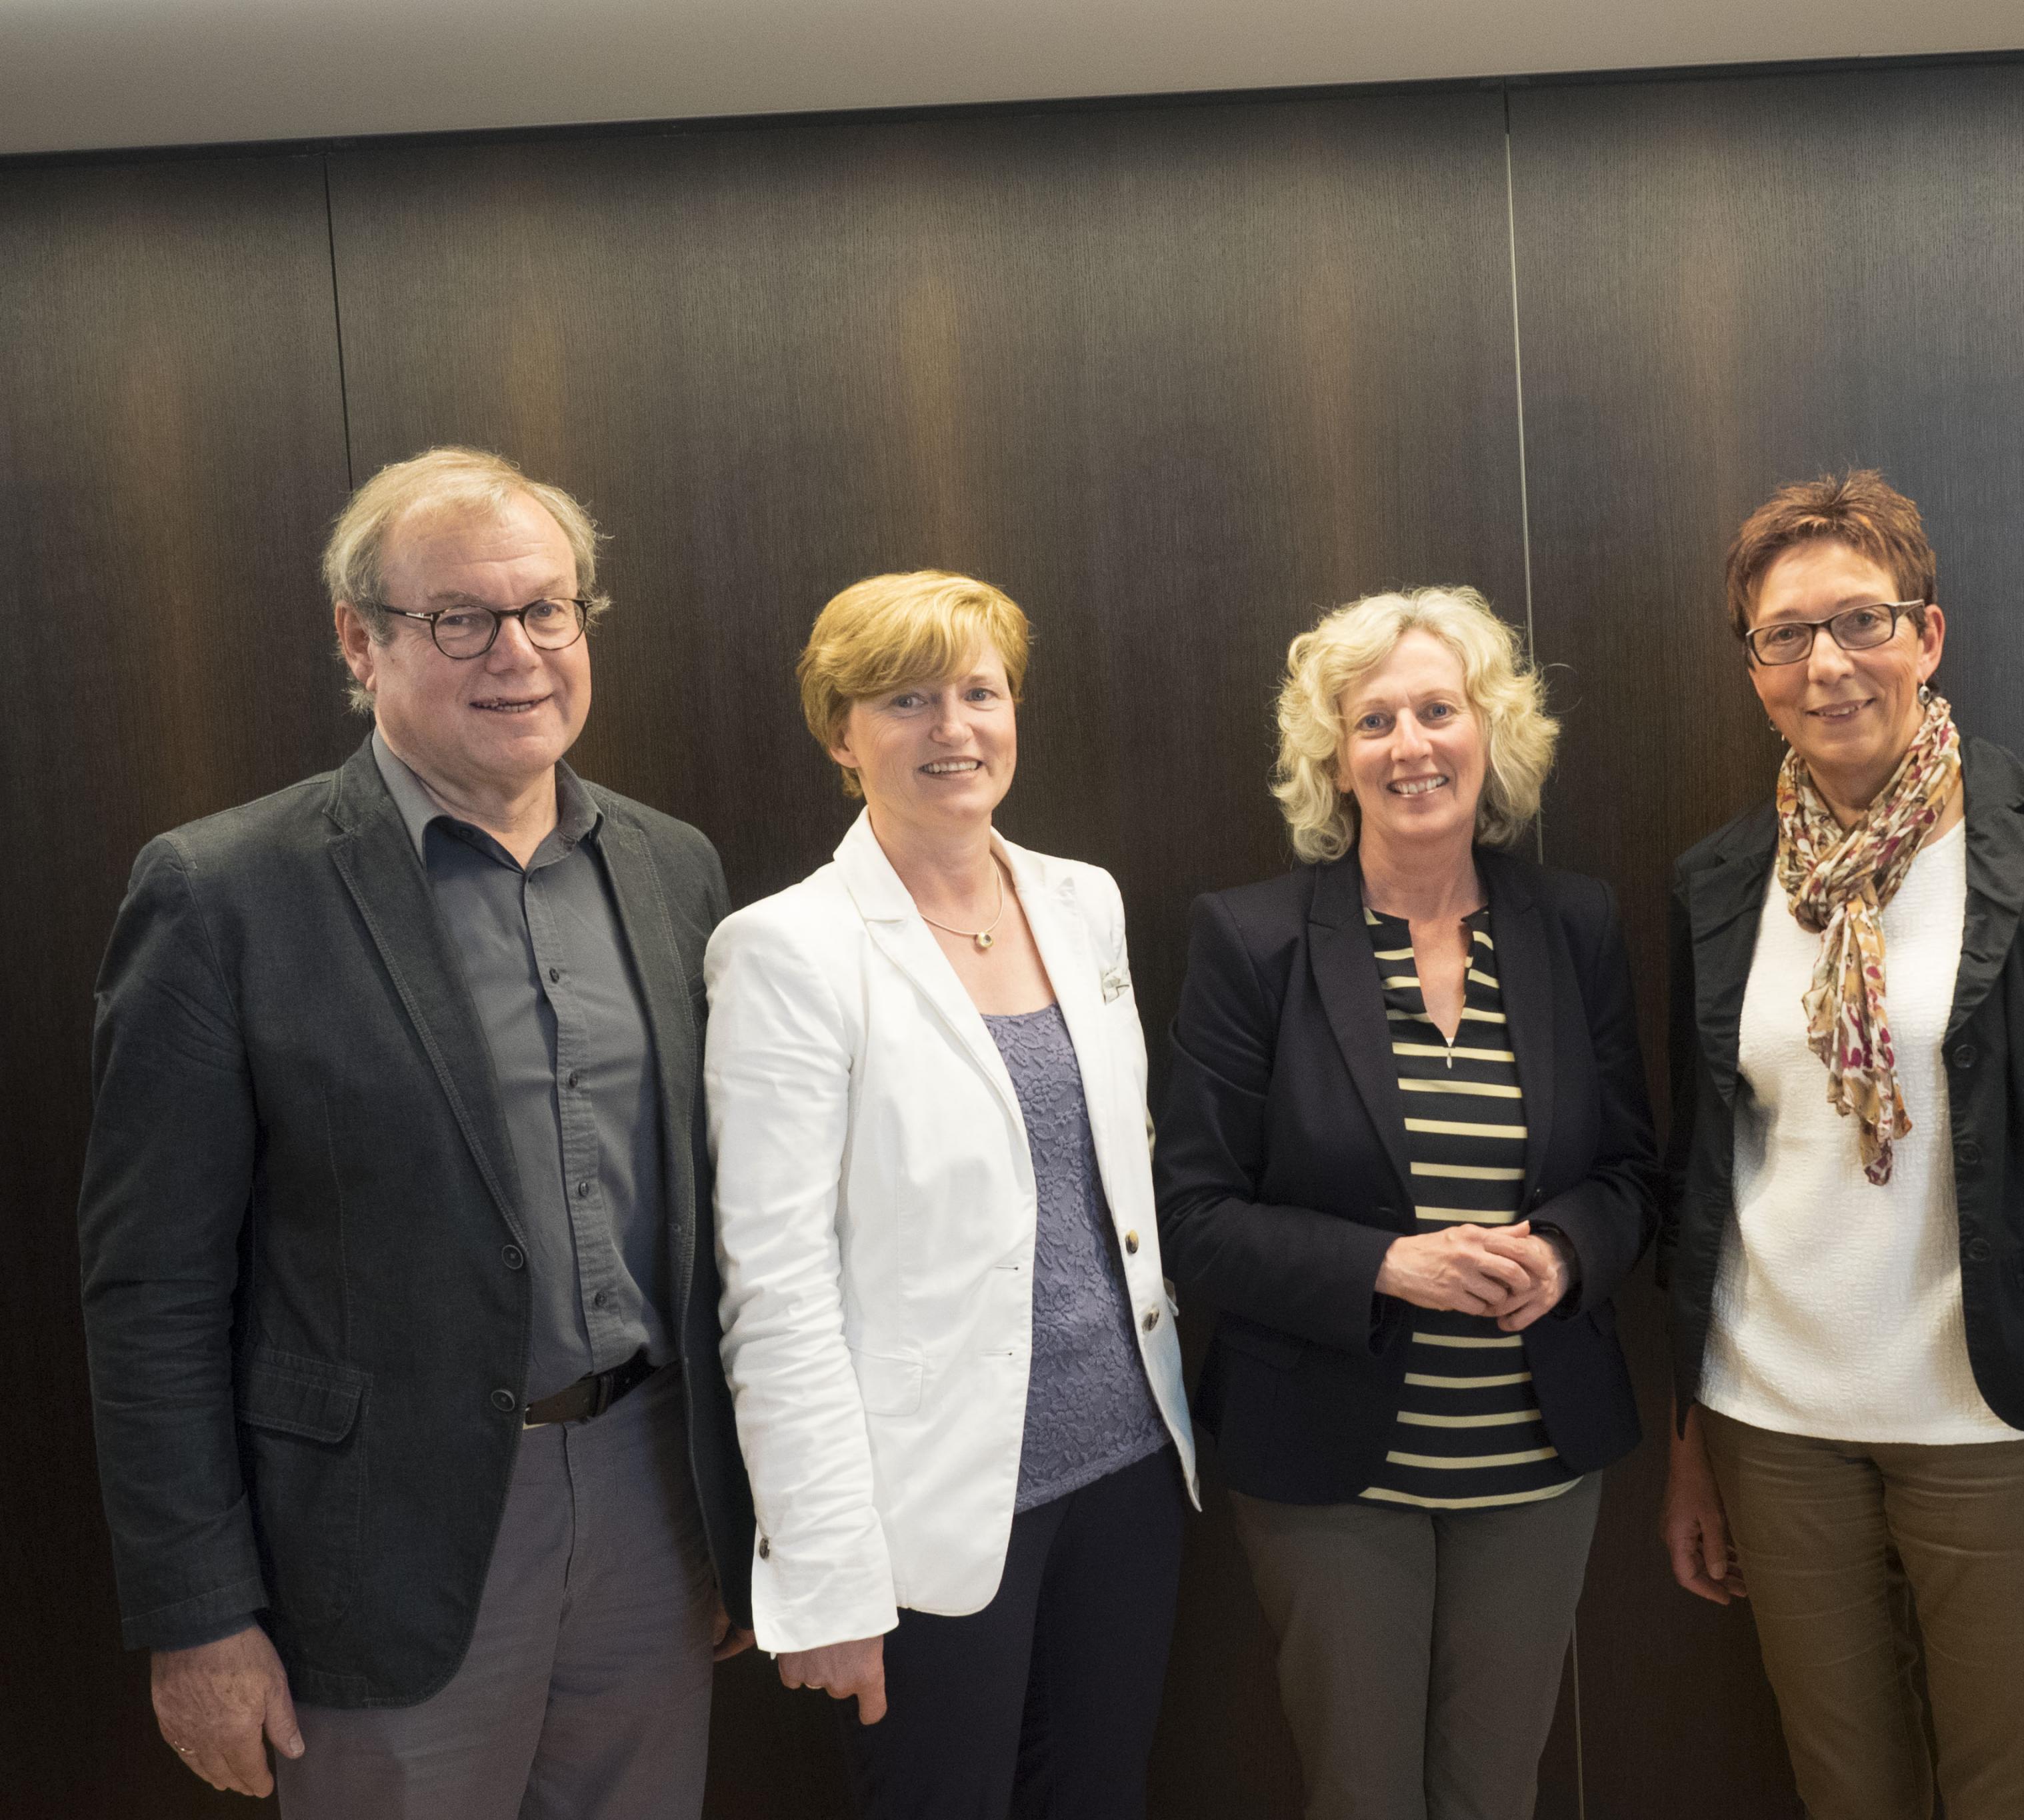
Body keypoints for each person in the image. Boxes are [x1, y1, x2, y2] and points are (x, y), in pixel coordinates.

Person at [75, 446, 756, 1815]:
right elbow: (152, 1290)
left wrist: (742, 1516)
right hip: (378, 1545)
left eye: (547, 609)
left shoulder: (670, 865)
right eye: (460, 618)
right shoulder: (223, 893)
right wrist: (199, 1615)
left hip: (653, 1507)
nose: (517, 653)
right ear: (360, 640)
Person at [1655, 470, 2024, 1819]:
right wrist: (1690, 1440)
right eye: (1785, 635)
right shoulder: (1718, 881)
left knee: (2015, 1791)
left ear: (1926, 636)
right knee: (1845, 1792)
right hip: (1773, 1422)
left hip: (1999, 1421)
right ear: (1755, 670)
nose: (1826, 664)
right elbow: (1699, 1178)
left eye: (1861, 621)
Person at [1153, 586, 1657, 1820]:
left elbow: (1634, 1174)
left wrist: (1565, 1253)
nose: (1409, 744)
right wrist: (1390, 1265)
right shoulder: (1252, 940)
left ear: (1492, 734)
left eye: (1439, 710)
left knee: (1493, 1791)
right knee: (1362, 1794)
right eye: (1372, 720)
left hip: (1535, 1459)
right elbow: (1193, 1214)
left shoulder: (1575, 924)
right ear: (1333, 759)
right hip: (1331, 1468)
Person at [703, 571, 1196, 1820]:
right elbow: (777, 1288)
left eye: (980, 691)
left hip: (1129, 1467)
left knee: (1101, 1798)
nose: (954, 727)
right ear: (841, 733)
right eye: (906, 699)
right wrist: (827, 1576)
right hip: (926, 1512)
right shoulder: (787, 949)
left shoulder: (1083, 901)